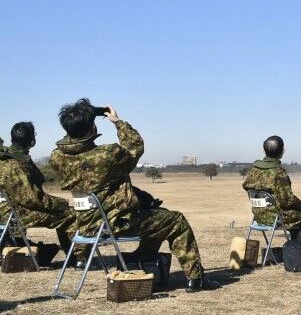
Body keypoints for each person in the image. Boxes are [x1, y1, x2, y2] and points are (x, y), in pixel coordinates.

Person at [48, 99, 219, 292]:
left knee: (158, 216)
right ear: (92, 128)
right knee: (176, 221)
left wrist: (80, 121)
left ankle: (142, 260)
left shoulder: (57, 157)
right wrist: (117, 121)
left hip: (87, 225)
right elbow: (135, 145)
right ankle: (196, 278)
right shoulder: (108, 155)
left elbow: (72, 141)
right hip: (116, 223)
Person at [0, 122, 81, 258]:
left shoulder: (12, 157)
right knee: (70, 215)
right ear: (32, 141)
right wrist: (60, 203)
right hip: (12, 213)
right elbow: (31, 199)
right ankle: (78, 257)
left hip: (11, 210)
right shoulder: (14, 164)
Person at [242, 135, 301, 240]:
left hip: (259, 216)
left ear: (264, 151)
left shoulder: (254, 170)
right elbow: (287, 200)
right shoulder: (278, 172)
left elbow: (246, 186)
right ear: (282, 152)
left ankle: (295, 249)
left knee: (296, 217)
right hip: (277, 217)